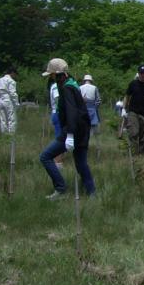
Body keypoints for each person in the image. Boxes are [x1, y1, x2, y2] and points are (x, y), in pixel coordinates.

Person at [39, 58, 95, 199]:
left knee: (45, 157)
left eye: (51, 75)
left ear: (57, 74)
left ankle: (61, 189)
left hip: (73, 130)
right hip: (82, 131)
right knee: (81, 163)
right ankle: (92, 194)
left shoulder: (66, 88)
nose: (51, 77)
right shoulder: (73, 84)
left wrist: (69, 135)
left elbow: (71, 111)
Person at [123, 65, 144, 154]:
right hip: (133, 111)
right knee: (133, 132)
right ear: (138, 73)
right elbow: (127, 96)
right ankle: (134, 153)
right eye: (141, 73)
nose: (143, 75)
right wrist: (124, 109)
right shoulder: (133, 84)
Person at [0, 67, 19, 135]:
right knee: (12, 119)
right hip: (8, 100)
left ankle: (4, 134)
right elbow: (13, 93)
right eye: (15, 74)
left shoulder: (0, 80)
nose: (15, 76)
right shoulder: (11, 81)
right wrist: (16, 103)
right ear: (12, 73)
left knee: (3, 119)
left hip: (0, 100)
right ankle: (11, 135)